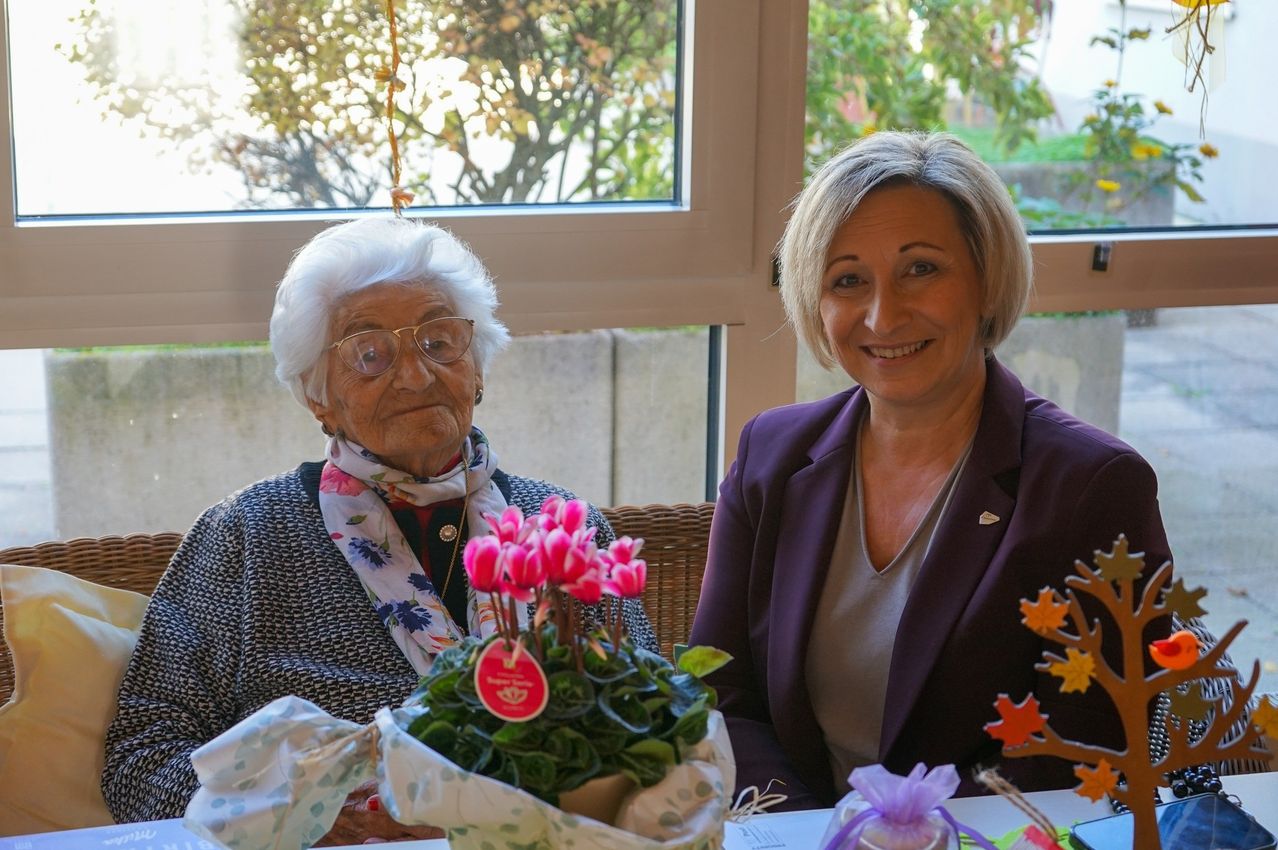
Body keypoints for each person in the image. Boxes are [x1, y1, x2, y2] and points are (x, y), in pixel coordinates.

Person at [102, 217, 658, 842]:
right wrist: (300, 819)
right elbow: (140, 759)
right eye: (369, 354)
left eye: (440, 341)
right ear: (318, 397)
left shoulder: (562, 531)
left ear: (478, 368)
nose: (416, 376)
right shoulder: (246, 537)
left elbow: (654, 730)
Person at [689, 131, 1172, 810]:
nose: (884, 315)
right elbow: (720, 691)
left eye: (922, 269)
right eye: (847, 280)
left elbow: (1081, 747)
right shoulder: (772, 452)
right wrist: (815, 834)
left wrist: (904, 834)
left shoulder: (1091, 488)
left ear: (986, 278)